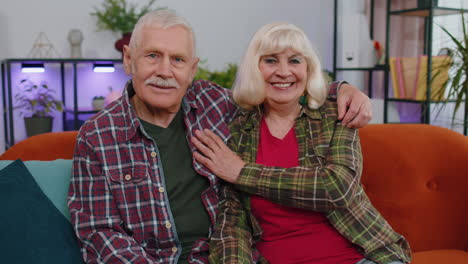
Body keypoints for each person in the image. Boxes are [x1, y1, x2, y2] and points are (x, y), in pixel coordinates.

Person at [68, 10, 373, 264]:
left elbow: (280, 93)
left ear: (192, 68)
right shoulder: (97, 136)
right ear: (128, 59)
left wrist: (341, 91)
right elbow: (99, 232)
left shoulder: (215, 104)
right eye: (152, 56)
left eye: (177, 60)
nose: (165, 70)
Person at [192, 22, 412, 264]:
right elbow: (232, 222)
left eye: (295, 61)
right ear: (254, 68)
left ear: (308, 69)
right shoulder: (238, 131)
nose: (284, 72)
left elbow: (338, 188)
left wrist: (242, 172)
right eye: (271, 60)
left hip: (361, 257)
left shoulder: (335, 114)